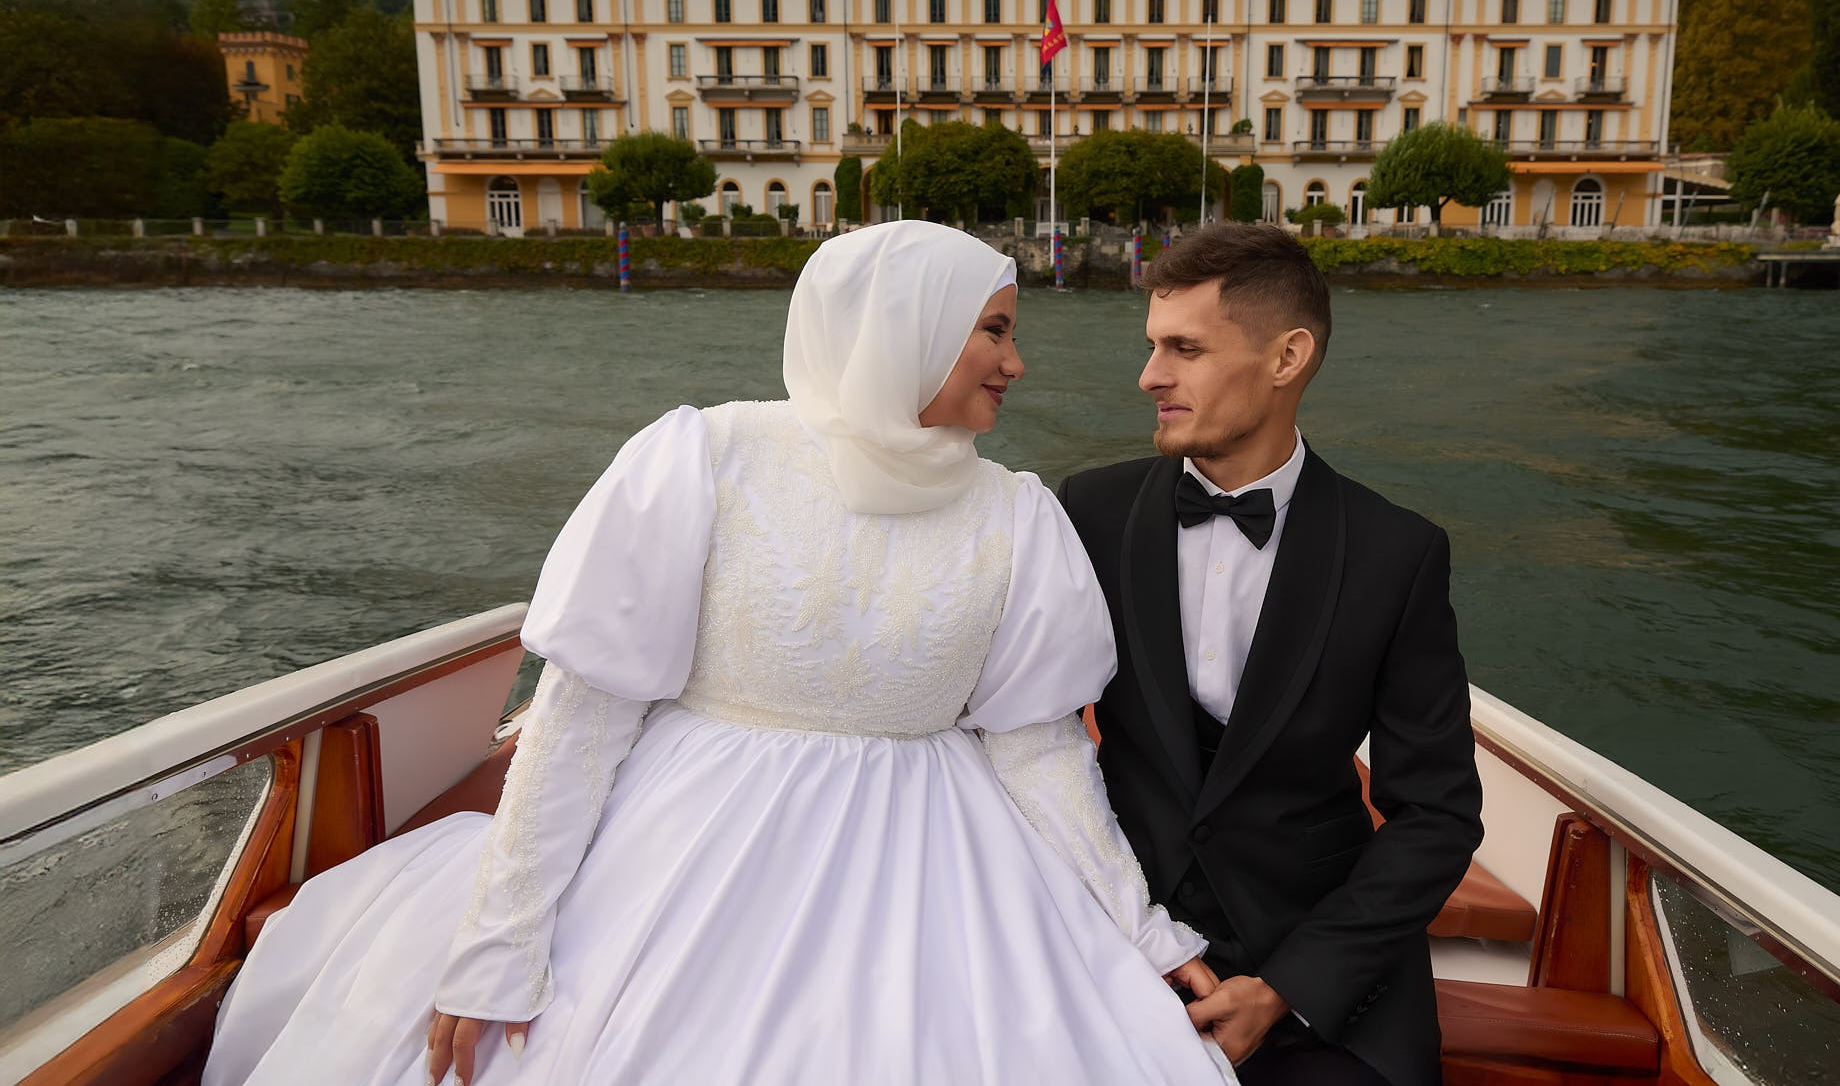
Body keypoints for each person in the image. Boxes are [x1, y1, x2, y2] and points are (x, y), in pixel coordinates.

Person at [205, 222, 1232, 1086]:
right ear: (901, 330)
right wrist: (498, 948)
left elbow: (1037, 751)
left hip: (934, 852)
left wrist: (1137, 929)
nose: (1015, 364)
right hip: (686, 839)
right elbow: (579, 721)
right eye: (994, 332)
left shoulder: (1017, 515)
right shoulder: (706, 459)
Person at [1056, 223, 1484, 1086]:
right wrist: (1118, 929)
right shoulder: (1085, 513)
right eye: (1151, 346)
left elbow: (1437, 813)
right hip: (1114, 935)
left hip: (1316, 959)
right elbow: (1032, 737)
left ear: (1288, 356)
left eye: (1185, 349)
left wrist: (1289, 987)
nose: (1150, 377)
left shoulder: (1396, 553)